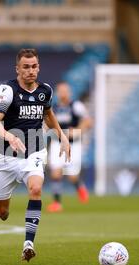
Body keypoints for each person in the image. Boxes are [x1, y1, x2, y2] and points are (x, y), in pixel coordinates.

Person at [0, 48, 70, 262]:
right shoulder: (8, 90)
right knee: (2, 213)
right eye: (26, 67)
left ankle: (28, 244)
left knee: (36, 188)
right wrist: (9, 136)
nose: (31, 71)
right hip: (6, 158)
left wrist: (62, 136)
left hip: (34, 154)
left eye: (34, 66)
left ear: (38, 67)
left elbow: (48, 115)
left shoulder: (46, 91)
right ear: (18, 69)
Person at [46, 82, 92, 213]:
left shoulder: (76, 106)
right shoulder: (53, 108)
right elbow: (49, 124)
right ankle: (56, 203)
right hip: (57, 143)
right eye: (61, 91)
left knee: (71, 175)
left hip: (73, 144)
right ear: (57, 93)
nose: (63, 93)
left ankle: (79, 187)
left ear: (69, 92)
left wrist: (78, 130)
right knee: (55, 171)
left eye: (65, 91)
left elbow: (88, 121)